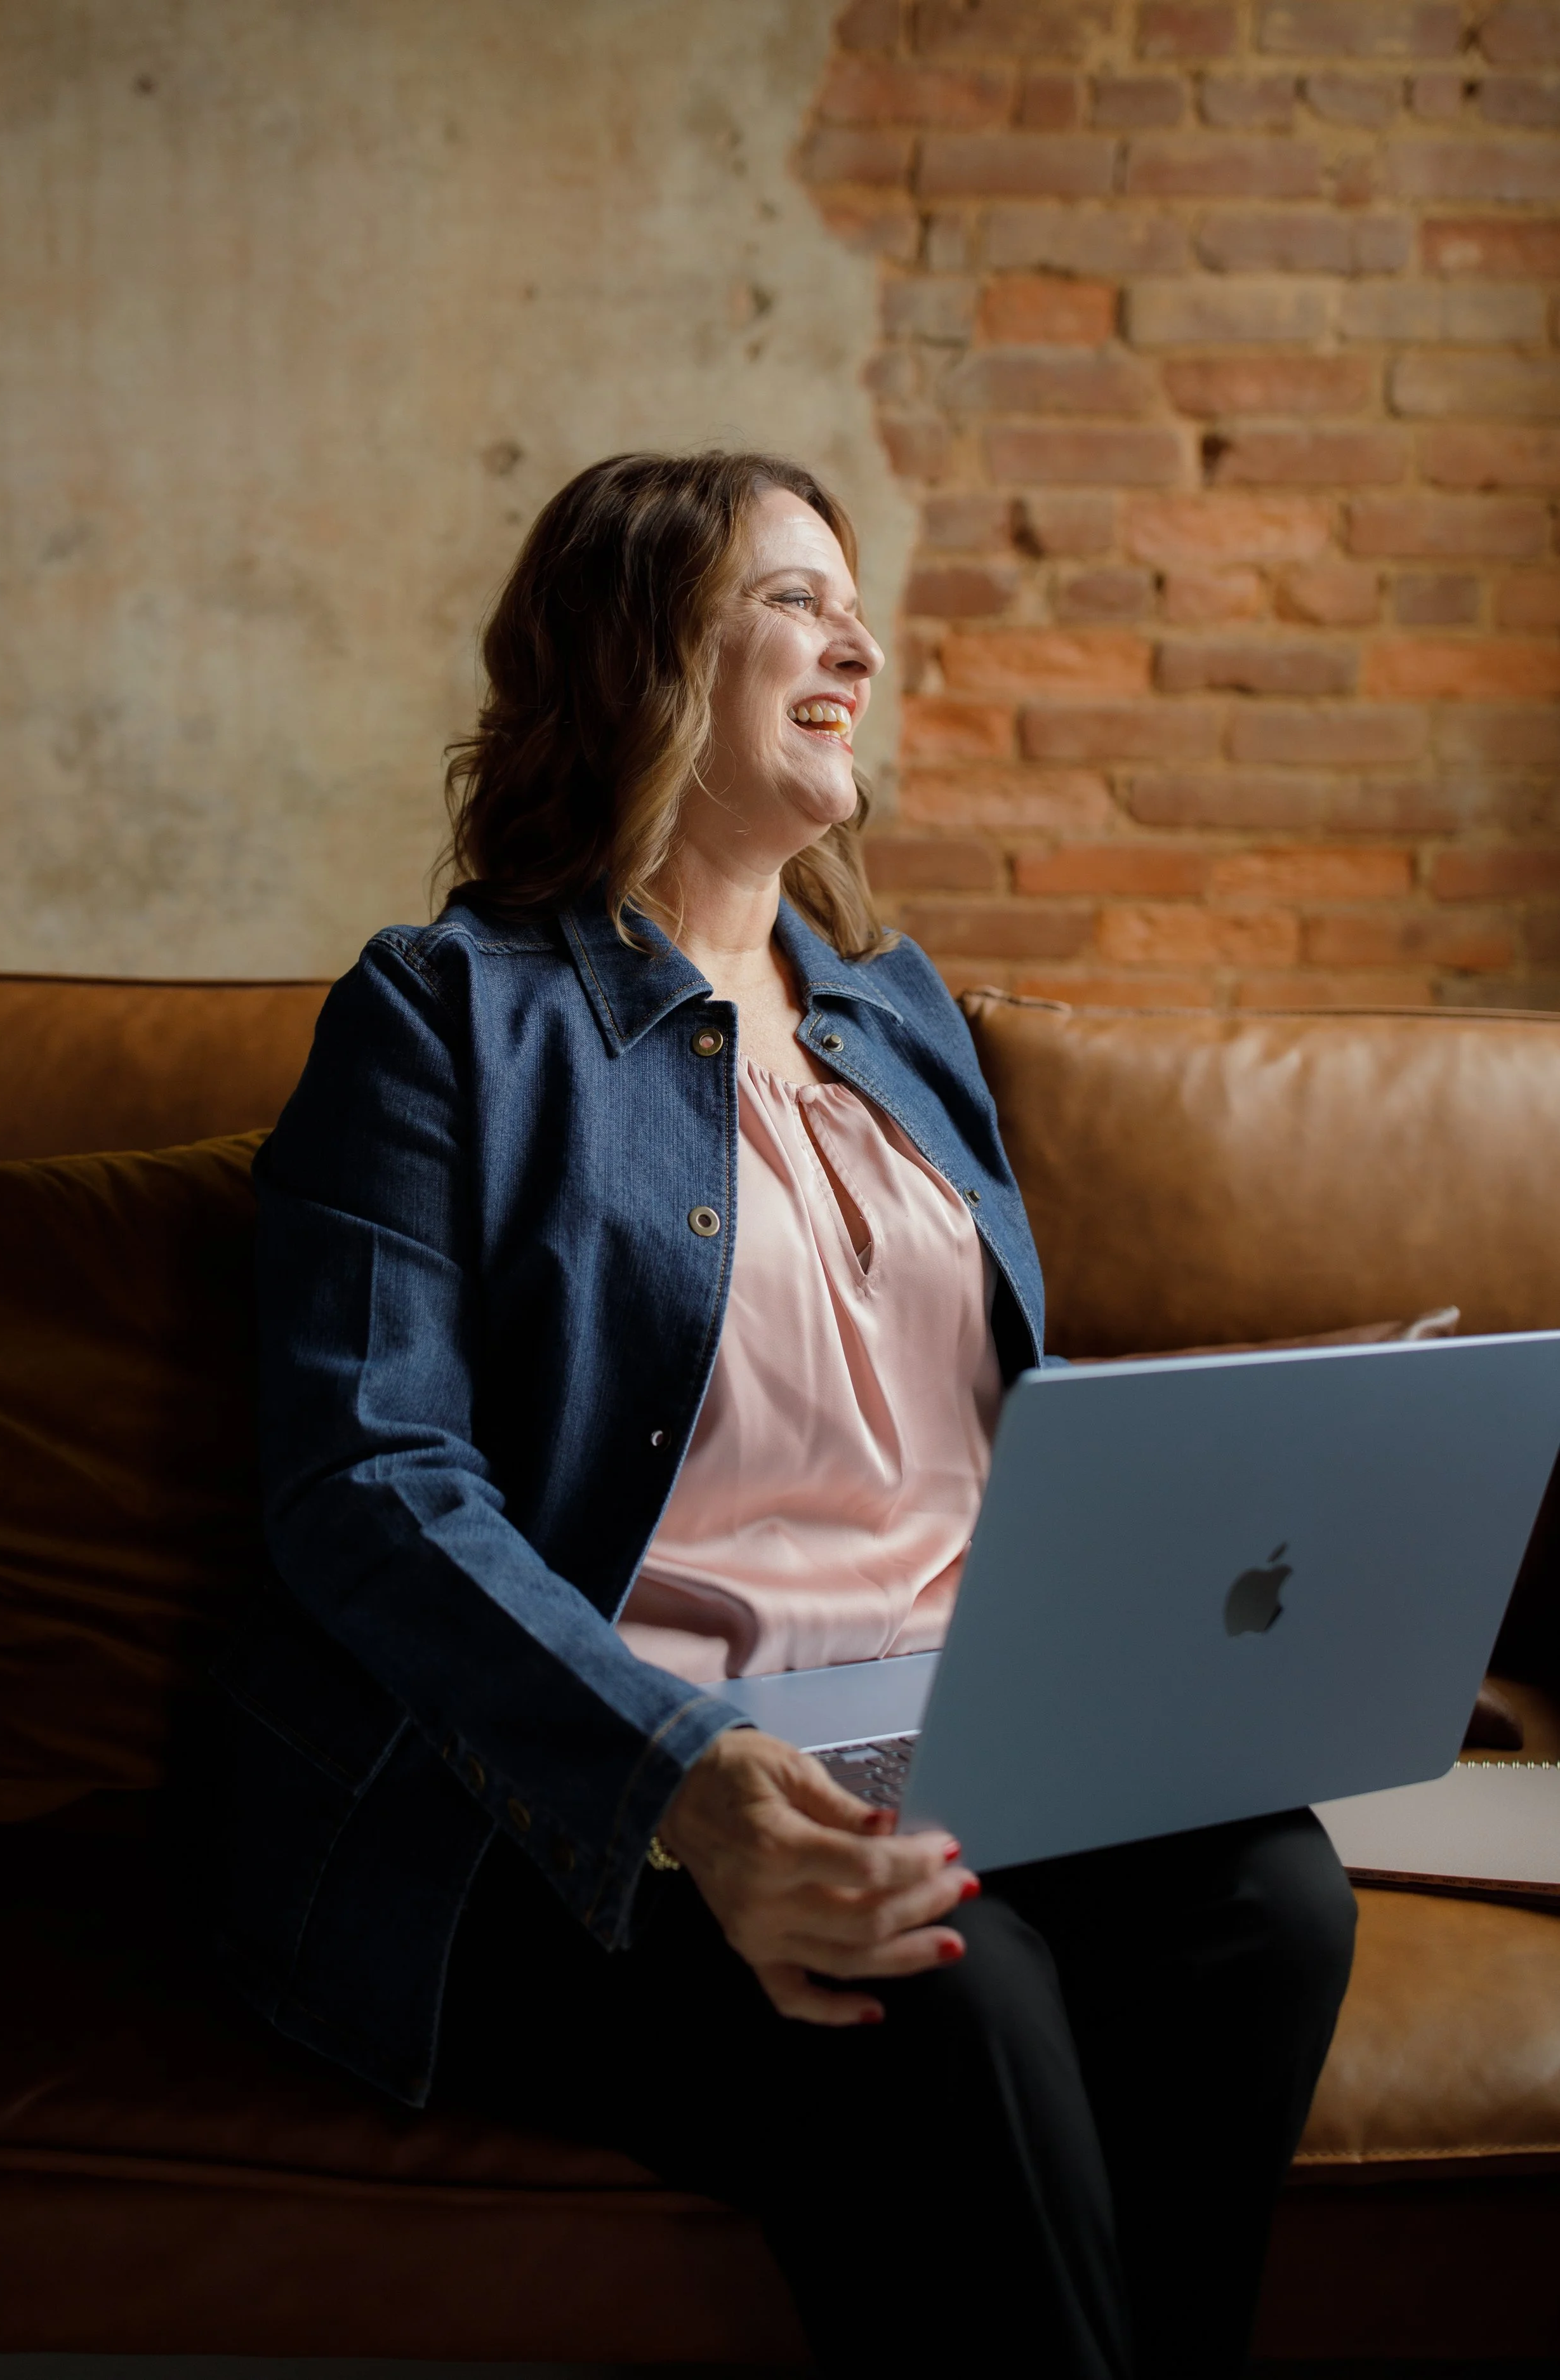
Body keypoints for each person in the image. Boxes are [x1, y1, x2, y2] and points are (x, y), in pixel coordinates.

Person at [214, 449, 1356, 2376]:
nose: (861, 640)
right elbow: (364, 1476)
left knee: (1268, 1893)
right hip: (599, 1789)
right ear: (641, 652)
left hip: (954, 1722)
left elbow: (978, 1414)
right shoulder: (443, 1017)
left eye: (855, 601)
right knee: (939, 1975)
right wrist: (690, 1776)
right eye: (793, 598)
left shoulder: (896, 1021)